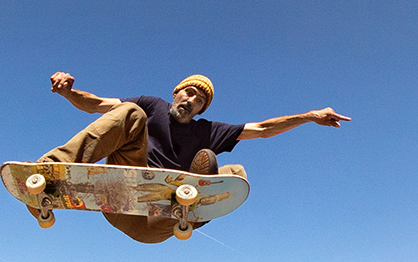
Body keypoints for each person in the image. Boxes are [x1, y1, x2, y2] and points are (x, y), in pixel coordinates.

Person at [40, 72, 351, 243]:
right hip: (124, 194)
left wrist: (310, 116)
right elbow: (97, 105)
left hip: (157, 222)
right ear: (176, 92)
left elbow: (264, 129)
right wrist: (69, 92)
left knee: (235, 172)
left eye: (199, 100)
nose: (191, 100)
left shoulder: (209, 131)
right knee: (130, 113)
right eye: (188, 93)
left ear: (203, 109)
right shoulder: (152, 105)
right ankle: (49, 172)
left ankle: (188, 210)